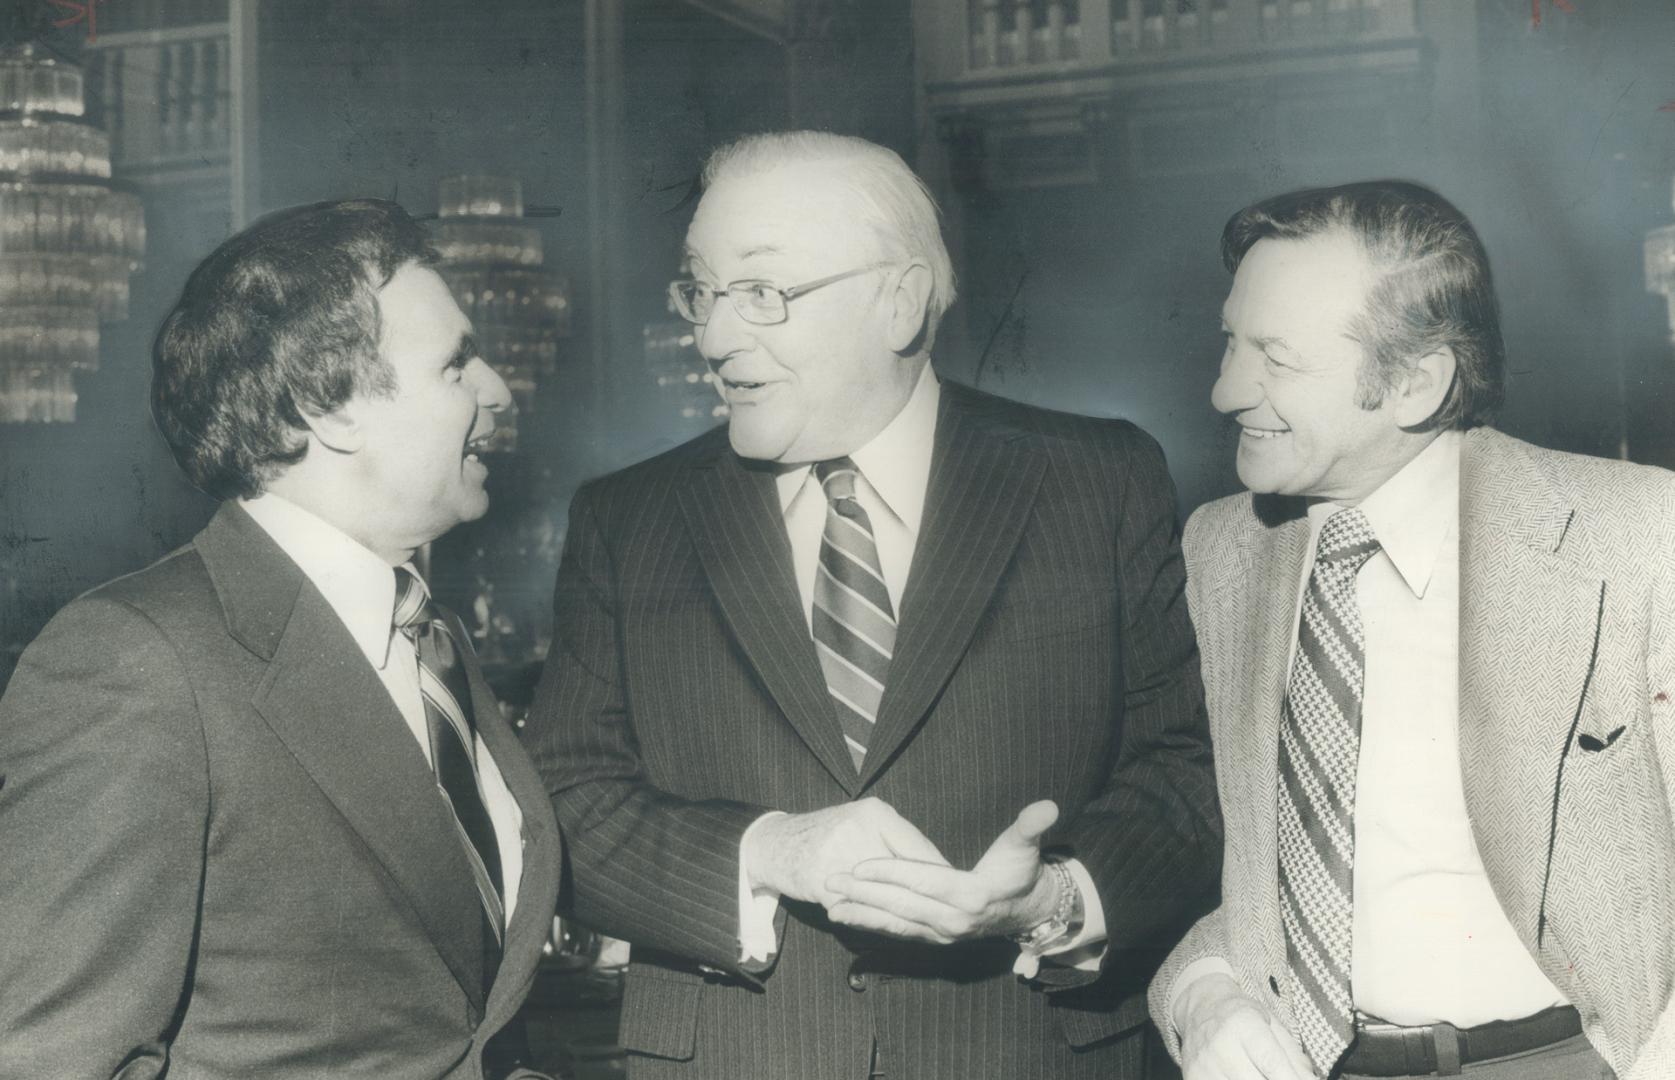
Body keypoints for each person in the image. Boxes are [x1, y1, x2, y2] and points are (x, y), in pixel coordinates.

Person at [524, 130, 1221, 1079]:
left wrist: (1056, 898)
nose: (717, 335)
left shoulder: (1096, 483)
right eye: (702, 290)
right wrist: (770, 850)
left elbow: (1184, 773)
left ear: (897, 302)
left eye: (763, 292)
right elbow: (565, 804)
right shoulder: (627, 521)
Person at [0, 200, 563, 1080]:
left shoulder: (429, 635)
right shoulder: (138, 660)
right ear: (326, 403)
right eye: (457, 363)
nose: (497, 389)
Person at [1148, 180, 1675, 1080]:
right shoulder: (1218, 550)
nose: (1225, 389)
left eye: (1275, 355)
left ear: (1412, 383)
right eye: (1231, 341)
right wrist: (1204, 996)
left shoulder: (1637, 536)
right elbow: (1215, 864)